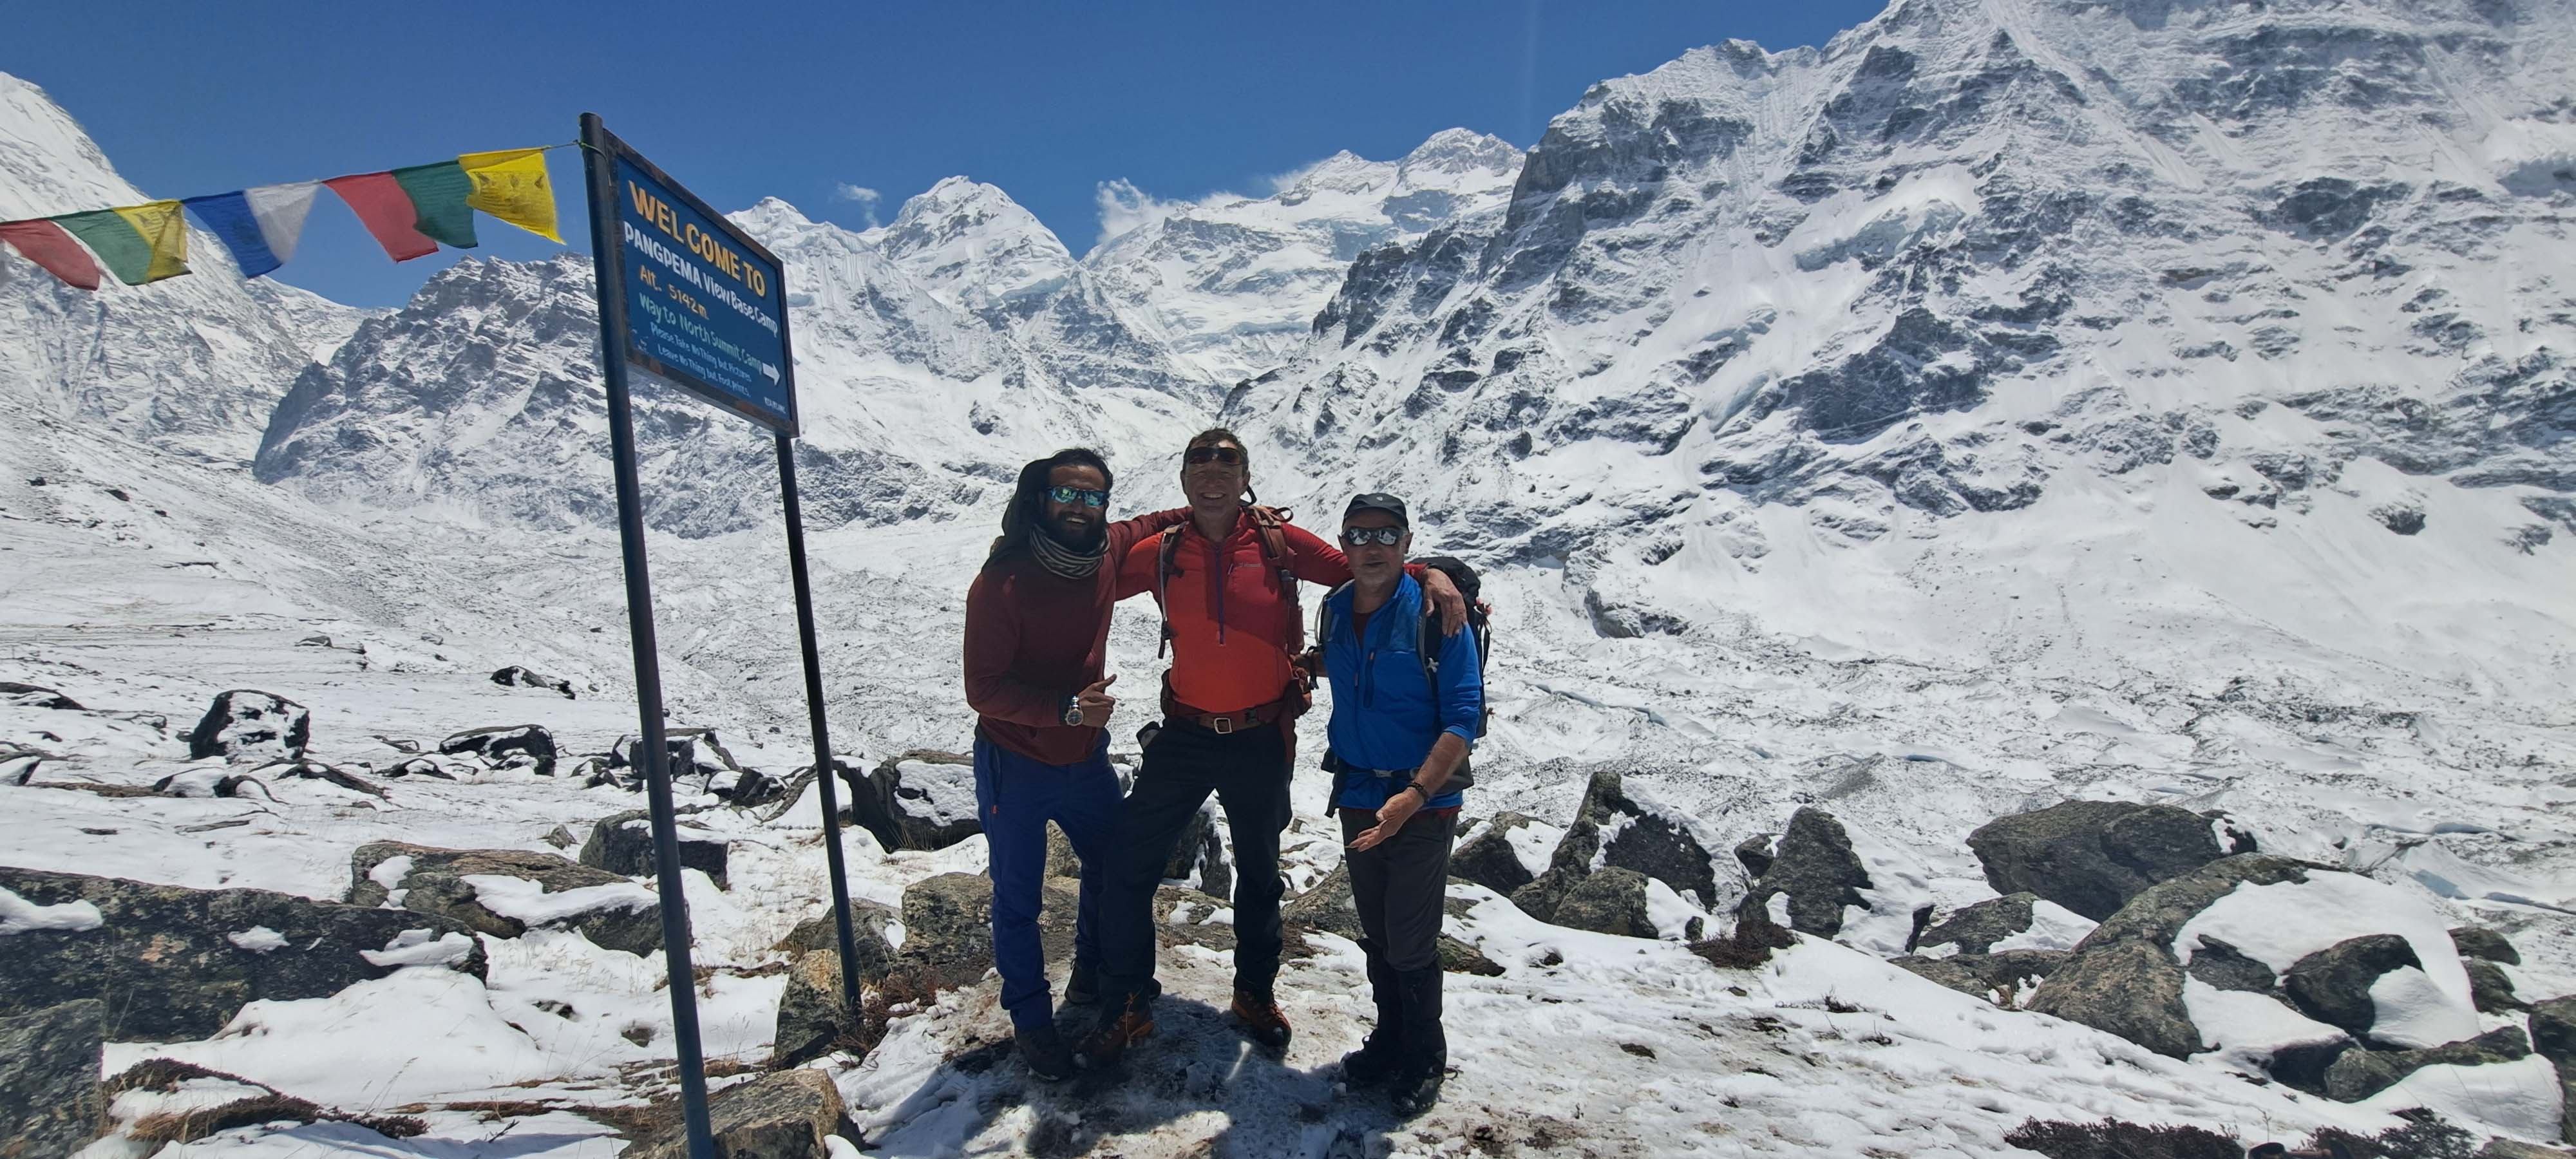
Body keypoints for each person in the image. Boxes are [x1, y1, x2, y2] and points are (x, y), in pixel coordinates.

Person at [1076, 429, 1464, 1068]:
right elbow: (1088, 580)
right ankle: (1127, 1003)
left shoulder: (1277, 544)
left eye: (1226, 463)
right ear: (1183, 479)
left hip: (1261, 735)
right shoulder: (1162, 550)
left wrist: (1435, 575)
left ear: (1244, 475)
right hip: (1185, 732)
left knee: (1259, 874)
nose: (1212, 475)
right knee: (1128, 863)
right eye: (1198, 462)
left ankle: (1253, 995)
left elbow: (1365, 568)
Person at [961, 448, 1186, 1080]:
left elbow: (1150, 525)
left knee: (1114, 868)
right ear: (1040, 500)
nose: (1080, 507)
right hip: (1017, 762)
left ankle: (1090, 970)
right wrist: (1065, 710)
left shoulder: (1105, 552)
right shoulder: (1002, 583)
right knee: (1017, 899)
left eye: (1092, 498)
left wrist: (1216, 510)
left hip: (1083, 758)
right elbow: (982, 689)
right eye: (1068, 495)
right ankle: (1033, 1024)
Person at [1316, 493, 1479, 1117]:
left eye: (1386, 534)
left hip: (1423, 800)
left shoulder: (1439, 615)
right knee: (1379, 929)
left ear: (1407, 543)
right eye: (1359, 534)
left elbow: (1462, 718)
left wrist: (1413, 796)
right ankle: (1390, 1040)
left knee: (1410, 939)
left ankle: (1423, 1056)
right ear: (1345, 543)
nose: (1372, 546)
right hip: (1359, 791)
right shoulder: (1333, 609)